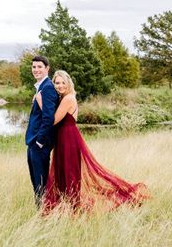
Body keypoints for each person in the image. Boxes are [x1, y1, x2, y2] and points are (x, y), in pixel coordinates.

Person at [38, 70, 148, 213]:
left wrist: (40, 102)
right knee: (64, 171)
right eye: (57, 83)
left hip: (68, 138)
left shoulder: (68, 99)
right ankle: (67, 205)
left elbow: (52, 121)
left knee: (70, 172)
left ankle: (73, 206)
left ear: (68, 83)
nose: (60, 86)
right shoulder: (63, 98)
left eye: (63, 82)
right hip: (63, 138)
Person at [24, 55, 60, 207]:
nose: (36, 70)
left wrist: (39, 141)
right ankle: (41, 211)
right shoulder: (41, 87)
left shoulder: (48, 88)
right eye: (34, 67)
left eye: (39, 67)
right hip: (33, 142)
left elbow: (48, 118)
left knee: (40, 182)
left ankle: (43, 212)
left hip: (39, 143)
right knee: (36, 182)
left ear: (47, 68)